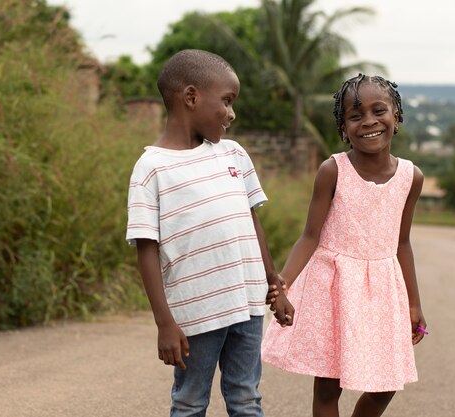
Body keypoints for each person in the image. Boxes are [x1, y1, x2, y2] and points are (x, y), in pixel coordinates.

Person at [126, 49, 294, 417]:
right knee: (189, 402)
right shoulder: (151, 169)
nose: (232, 113)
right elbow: (146, 249)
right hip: (196, 312)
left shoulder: (233, 155)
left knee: (246, 398)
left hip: (247, 304)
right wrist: (164, 323)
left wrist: (275, 285)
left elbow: (252, 222)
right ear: (191, 97)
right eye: (227, 101)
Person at [262, 73, 427, 417]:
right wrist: (283, 285)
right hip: (332, 289)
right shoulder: (332, 170)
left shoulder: (412, 177)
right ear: (343, 127)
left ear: (396, 116)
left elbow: (402, 242)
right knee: (327, 387)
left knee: (385, 385)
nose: (368, 121)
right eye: (355, 116)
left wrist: (414, 303)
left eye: (378, 110)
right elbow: (310, 236)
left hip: (383, 290)